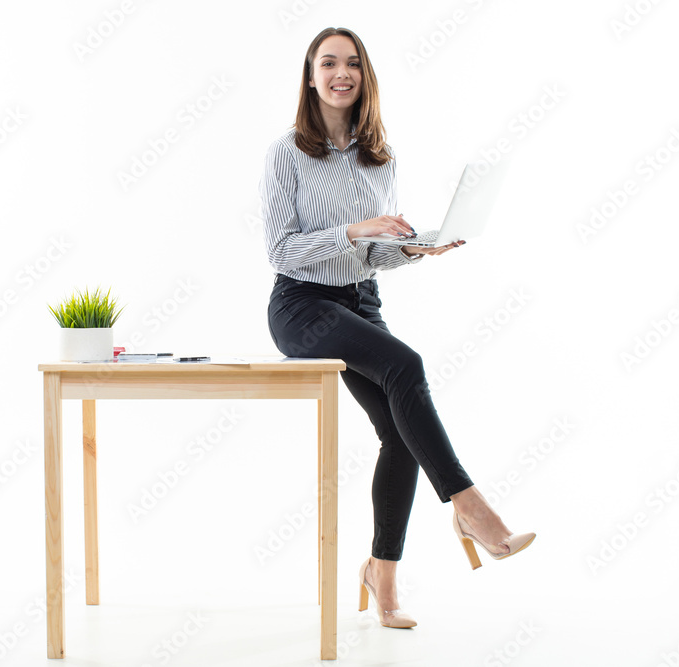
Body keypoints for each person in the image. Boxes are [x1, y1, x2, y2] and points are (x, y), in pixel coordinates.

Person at [260, 26, 535, 629]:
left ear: (365, 76)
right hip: (302, 307)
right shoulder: (287, 152)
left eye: (352, 64)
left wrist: (415, 250)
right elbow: (281, 252)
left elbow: (371, 256)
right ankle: (471, 508)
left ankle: (381, 576)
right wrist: (356, 231)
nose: (341, 73)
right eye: (328, 63)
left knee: (400, 434)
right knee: (405, 365)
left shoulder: (377, 157)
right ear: (310, 77)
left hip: (360, 301)